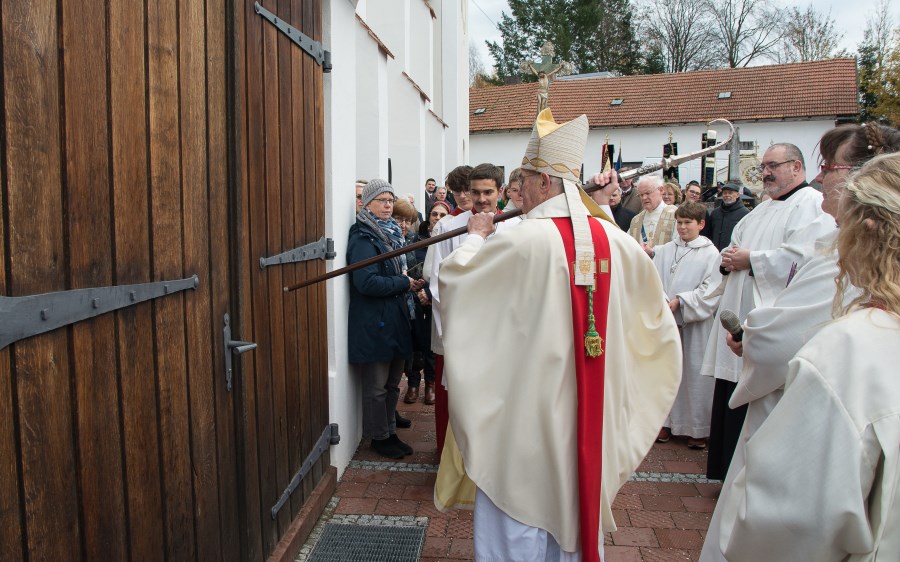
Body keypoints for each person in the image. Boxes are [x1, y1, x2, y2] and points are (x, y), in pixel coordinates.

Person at [434, 109, 681, 561]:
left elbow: (457, 286)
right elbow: (655, 324)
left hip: (525, 416)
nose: (517, 192)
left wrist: (473, 237)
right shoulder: (619, 242)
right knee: (573, 510)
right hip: (592, 410)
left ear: (545, 183)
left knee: (518, 517)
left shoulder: (520, 240)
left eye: (523, 181)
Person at [701, 122, 900, 560]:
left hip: (801, 406)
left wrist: (753, 338)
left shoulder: (843, 274)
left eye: (829, 167)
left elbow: (793, 521)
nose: (823, 178)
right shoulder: (775, 216)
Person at [700, 142, 834, 481]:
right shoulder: (758, 210)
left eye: (774, 165)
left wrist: (752, 260)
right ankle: (723, 471)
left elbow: (805, 261)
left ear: (797, 167)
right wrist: (729, 262)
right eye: (764, 166)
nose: (767, 172)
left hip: (767, 322)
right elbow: (732, 249)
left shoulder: (812, 206)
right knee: (731, 387)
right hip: (738, 311)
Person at [424, 163, 520, 454]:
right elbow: (439, 282)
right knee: (463, 401)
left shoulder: (517, 227)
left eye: (488, 192)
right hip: (465, 331)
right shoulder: (449, 228)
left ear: (500, 192)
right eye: (475, 192)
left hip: (505, 331)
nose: (481, 199)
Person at [347, 179, 425, 459]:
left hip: (393, 319)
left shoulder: (389, 233)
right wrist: (403, 284)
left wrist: (405, 283)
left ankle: (390, 429)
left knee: (393, 382)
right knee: (377, 386)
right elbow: (366, 282)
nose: (388, 205)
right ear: (367, 204)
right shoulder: (363, 237)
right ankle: (379, 437)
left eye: (390, 200)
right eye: (382, 200)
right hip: (375, 323)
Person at [653, 202, 720, 449]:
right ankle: (666, 422)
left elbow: (711, 289)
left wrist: (681, 302)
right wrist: (662, 301)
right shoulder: (664, 250)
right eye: (679, 222)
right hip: (666, 321)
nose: (682, 227)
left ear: (701, 224)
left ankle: (697, 428)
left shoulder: (711, 253)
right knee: (666, 373)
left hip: (694, 325)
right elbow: (653, 278)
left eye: (687, 223)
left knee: (693, 375)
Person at [627, 175, 678, 257]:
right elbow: (628, 245)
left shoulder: (675, 215)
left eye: (647, 193)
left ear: (661, 190)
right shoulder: (636, 220)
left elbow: (678, 246)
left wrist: (654, 252)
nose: (644, 198)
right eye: (641, 195)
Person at [702, 182, 750, 251]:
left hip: (733, 254)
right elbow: (708, 233)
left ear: (737, 195)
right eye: (725, 193)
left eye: (730, 193)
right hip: (714, 252)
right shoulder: (715, 213)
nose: (727, 195)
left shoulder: (745, 214)